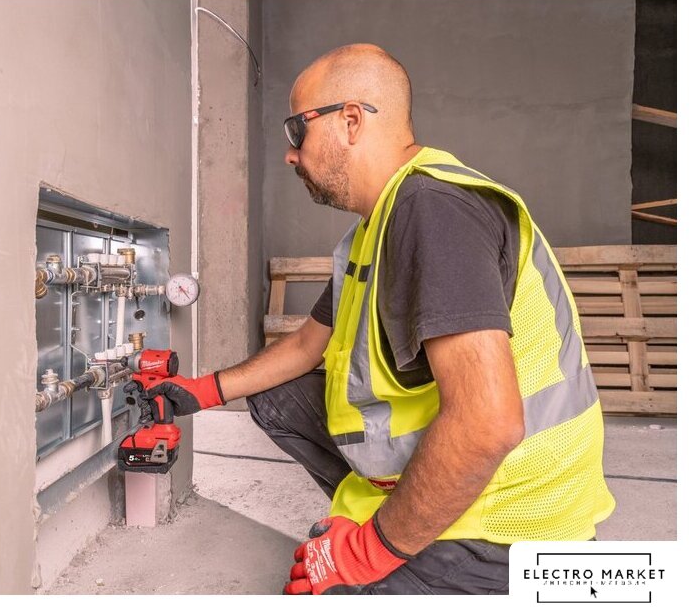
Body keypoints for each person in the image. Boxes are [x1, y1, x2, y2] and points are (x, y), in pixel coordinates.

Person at [141, 43, 616, 595]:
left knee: (327, 590)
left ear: (350, 120)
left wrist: (367, 553)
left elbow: (488, 423)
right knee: (275, 397)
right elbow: (307, 347)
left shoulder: (433, 209)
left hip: (512, 515)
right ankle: (401, 519)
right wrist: (200, 391)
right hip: (478, 477)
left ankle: (411, 542)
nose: (291, 155)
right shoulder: (375, 227)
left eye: (297, 131)